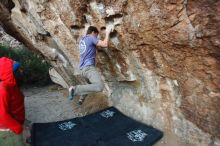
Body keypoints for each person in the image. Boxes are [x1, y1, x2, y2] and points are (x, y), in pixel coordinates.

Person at [68, 25, 112, 105]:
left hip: (82, 69)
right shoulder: (91, 38)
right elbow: (105, 44)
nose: (97, 37)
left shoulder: (83, 39)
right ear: (93, 33)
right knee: (99, 86)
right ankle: (74, 89)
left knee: (90, 85)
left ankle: (81, 99)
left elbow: (88, 39)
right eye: (96, 35)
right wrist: (108, 32)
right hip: (89, 68)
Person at [0, 57, 25, 146]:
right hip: (8, 130)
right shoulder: (3, 89)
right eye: (18, 70)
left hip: (16, 124)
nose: (21, 71)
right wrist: (17, 127)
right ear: (9, 73)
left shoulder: (14, 86)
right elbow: (1, 114)